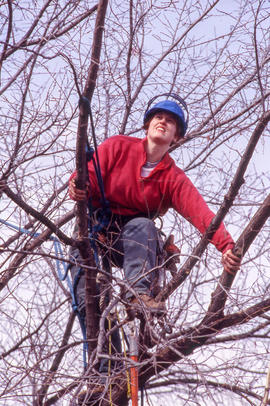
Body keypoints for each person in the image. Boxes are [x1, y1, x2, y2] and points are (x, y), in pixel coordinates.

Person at [69, 97, 241, 315]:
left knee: (143, 225)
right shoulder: (118, 146)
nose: (163, 122)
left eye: (170, 121)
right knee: (89, 304)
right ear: (147, 125)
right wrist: (79, 185)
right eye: (158, 117)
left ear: (177, 136)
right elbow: (89, 174)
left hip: (132, 242)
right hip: (92, 232)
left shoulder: (173, 177)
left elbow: (201, 214)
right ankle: (105, 342)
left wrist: (226, 246)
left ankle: (138, 298)